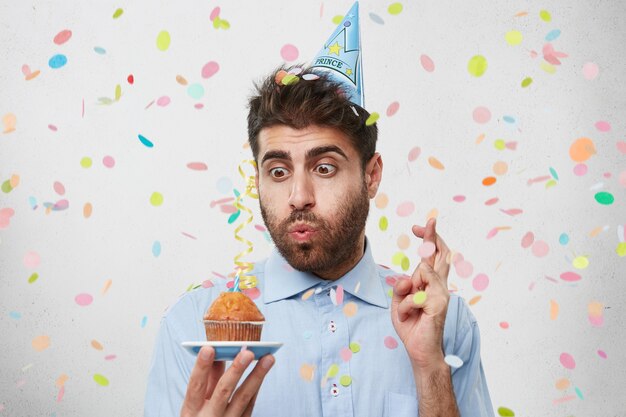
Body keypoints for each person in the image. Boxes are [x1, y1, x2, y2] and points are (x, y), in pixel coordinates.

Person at [144, 4, 493, 416]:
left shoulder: (443, 323)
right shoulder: (194, 327)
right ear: (257, 178)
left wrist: (429, 368)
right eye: (277, 170)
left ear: (371, 175)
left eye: (324, 167)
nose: (298, 195)